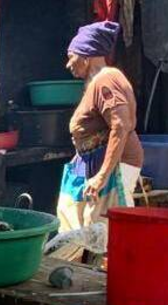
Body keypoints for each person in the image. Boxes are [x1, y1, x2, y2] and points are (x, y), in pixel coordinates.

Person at [52, 20, 144, 261]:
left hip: (111, 167)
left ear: (87, 55)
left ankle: (108, 280)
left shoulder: (107, 79)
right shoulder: (96, 82)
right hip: (90, 162)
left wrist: (102, 175)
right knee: (78, 225)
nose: (68, 63)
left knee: (104, 230)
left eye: (71, 56)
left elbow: (120, 125)